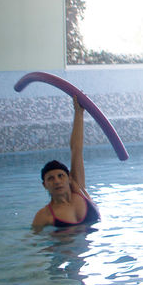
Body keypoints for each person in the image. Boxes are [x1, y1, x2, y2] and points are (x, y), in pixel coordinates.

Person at [32, 100, 101, 233]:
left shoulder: (79, 189)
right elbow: (32, 241)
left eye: (61, 176)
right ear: (44, 185)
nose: (57, 181)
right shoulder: (44, 216)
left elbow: (76, 149)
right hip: (65, 246)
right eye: (50, 178)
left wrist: (79, 112)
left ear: (69, 178)